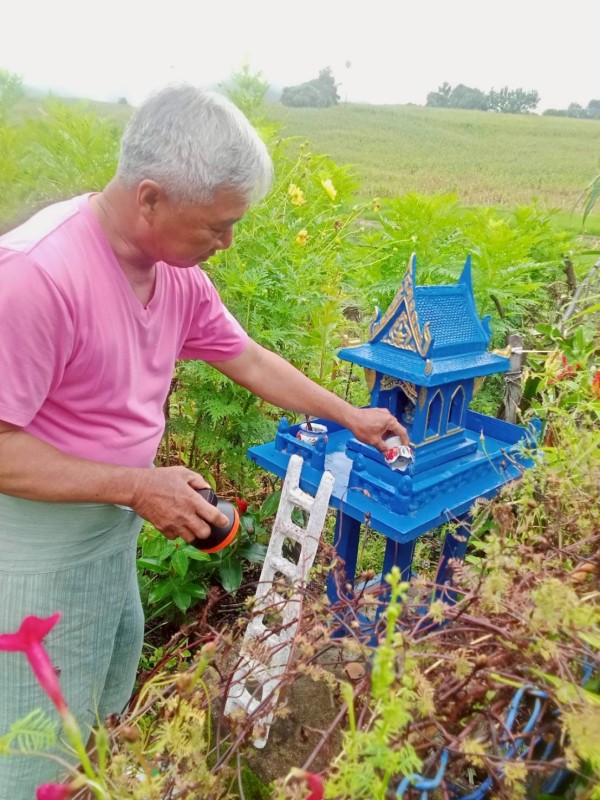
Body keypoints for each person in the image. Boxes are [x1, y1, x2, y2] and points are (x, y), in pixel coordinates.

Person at [0, 84, 408, 794]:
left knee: (97, 711)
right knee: (34, 747)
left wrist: (350, 414)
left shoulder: (173, 274)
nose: (227, 242)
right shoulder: (35, 277)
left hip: (110, 535)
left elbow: (246, 357)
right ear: (150, 198)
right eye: (215, 225)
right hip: (32, 553)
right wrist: (134, 483)